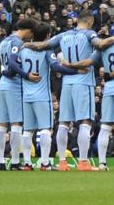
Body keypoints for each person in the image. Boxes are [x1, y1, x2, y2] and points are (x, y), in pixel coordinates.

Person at [25, 10, 114, 171]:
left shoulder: (63, 35)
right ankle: (83, 162)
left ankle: (61, 162)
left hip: (67, 83)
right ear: (89, 21)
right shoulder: (89, 34)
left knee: (63, 123)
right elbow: (101, 44)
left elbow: (43, 45)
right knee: (85, 121)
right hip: (83, 82)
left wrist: (27, 44)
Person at [63, 17, 114, 171]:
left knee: (105, 125)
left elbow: (88, 62)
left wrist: (70, 65)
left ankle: (102, 163)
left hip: (109, 88)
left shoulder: (104, 46)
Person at [13, 23, 84, 170]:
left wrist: (26, 75)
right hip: (42, 96)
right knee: (45, 128)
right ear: (47, 36)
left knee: (28, 130)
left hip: (26, 95)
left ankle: (27, 163)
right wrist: (77, 72)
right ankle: (45, 163)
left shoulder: (24, 49)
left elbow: (14, 65)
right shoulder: (46, 50)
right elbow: (56, 67)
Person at [0, 19, 38, 170]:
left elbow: (2, 64)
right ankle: (14, 161)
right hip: (14, 85)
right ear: (28, 30)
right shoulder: (18, 43)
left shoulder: (3, 41)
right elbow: (13, 64)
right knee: (16, 124)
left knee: (1, 124)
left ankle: (0, 161)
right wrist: (26, 75)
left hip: (2, 85)